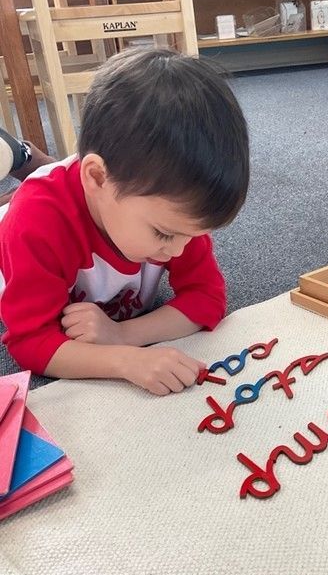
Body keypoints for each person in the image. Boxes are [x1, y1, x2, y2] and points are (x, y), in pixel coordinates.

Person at [0, 47, 249, 395]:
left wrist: (122, 335)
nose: (178, 251)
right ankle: (18, 154)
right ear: (99, 179)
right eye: (164, 233)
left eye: (192, 236)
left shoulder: (176, 219)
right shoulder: (35, 223)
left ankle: (25, 157)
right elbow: (31, 342)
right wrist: (124, 360)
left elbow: (208, 298)